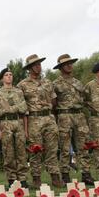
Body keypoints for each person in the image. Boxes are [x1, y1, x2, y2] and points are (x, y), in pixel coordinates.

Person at [17, 54, 63, 188]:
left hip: (49, 118)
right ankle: (36, 179)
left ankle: (55, 177)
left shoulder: (48, 82)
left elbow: (54, 101)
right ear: (29, 68)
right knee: (35, 150)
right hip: (33, 119)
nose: (38, 67)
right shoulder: (22, 85)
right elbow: (21, 107)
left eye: (39, 64)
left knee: (52, 149)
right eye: (35, 65)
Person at [53, 54, 94, 185]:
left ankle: (86, 174)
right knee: (65, 148)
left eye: (70, 63)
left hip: (79, 116)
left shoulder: (78, 82)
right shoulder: (55, 84)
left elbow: (85, 100)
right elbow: (53, 104)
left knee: (83, 146)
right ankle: (65, 175)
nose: (69, 65)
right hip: (64, 116)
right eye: (66, 64)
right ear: (60, 67)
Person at [0, 68, 29, 188]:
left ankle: (23, 179)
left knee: (21, 152)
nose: (9, 77)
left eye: (11, 74)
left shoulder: (19, 92)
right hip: (5, 123)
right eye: (6, 75)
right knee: (8, 153)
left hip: (18, 122)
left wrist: (26, 130)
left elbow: (24, 111)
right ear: (2, 78)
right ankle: (12, 179)